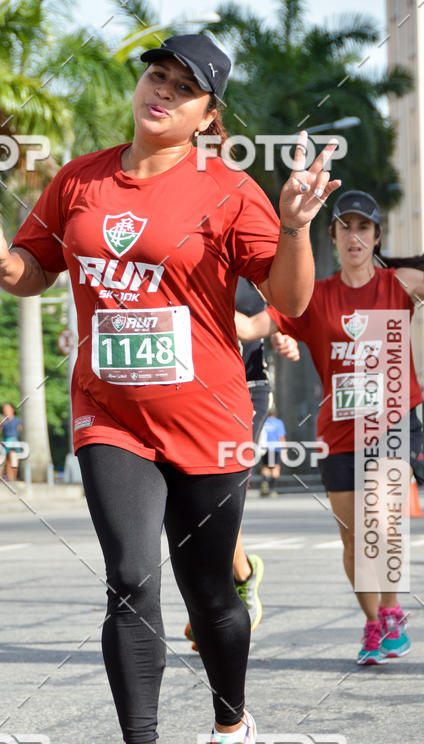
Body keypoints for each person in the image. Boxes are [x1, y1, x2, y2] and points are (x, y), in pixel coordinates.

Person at [0, 33, 340, 744]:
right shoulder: (80, 180)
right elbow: (36, 270)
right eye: (155, 75)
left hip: (209, 422)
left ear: (208, 115)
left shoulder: (231, 191)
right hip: (112, 417)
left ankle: (232, 734)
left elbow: (294, 301)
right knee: (131, 579)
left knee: (209, 593)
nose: (160, 92)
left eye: (183, 89)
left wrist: (300, 224)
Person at [236, 189, 424, 665]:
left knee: (376, 525)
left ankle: (392, 611)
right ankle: (376, 623)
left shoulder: (398, 285)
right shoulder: (316, 297)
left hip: (394, 425)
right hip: (338, 433)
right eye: (346, 228)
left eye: (364, 228)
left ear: (376, 236)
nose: (355, 237)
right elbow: (253, 325)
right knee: (352, 538)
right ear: (334, 237)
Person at [183, 281, 299, 649]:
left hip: (246, 388)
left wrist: (286, 336)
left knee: (219, 495)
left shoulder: (252, 259)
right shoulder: (177, 255)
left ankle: (215, 605)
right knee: (193, 499)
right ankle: (240, 577)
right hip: (191, 389)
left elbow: (290, 305)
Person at [258, 409, 287, 496]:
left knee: (265, 466)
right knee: (275, 468)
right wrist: (284, 450)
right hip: (275, 447)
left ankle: (264, 482)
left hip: (265, 447)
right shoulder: (278, 422)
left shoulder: (263, 422)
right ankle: (272, 489)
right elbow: (281, 437)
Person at [0, 402, 22, 481]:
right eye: (4, 409)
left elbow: (20, 430)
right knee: (8, 461)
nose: (6, 410)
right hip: (6, 441)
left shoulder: (17, 420)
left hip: (14, 441)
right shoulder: (2, 419)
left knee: (13, 458)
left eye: (7, 408)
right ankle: (11, 479)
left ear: (12, 409)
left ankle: (13, 478)